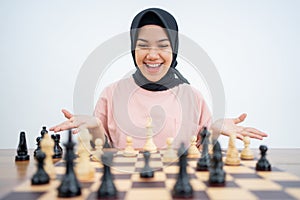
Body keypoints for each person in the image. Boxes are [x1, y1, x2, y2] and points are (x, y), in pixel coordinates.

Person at [50, 8, 267, 148]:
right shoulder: (112, 93)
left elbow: (200, 153)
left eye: (163, 46)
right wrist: (96, 126)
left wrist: (216, 128)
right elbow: (103, 153)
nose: (152, 55)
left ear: (174, 50)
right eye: (143, 45)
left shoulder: (192, 96)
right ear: (132, 49)